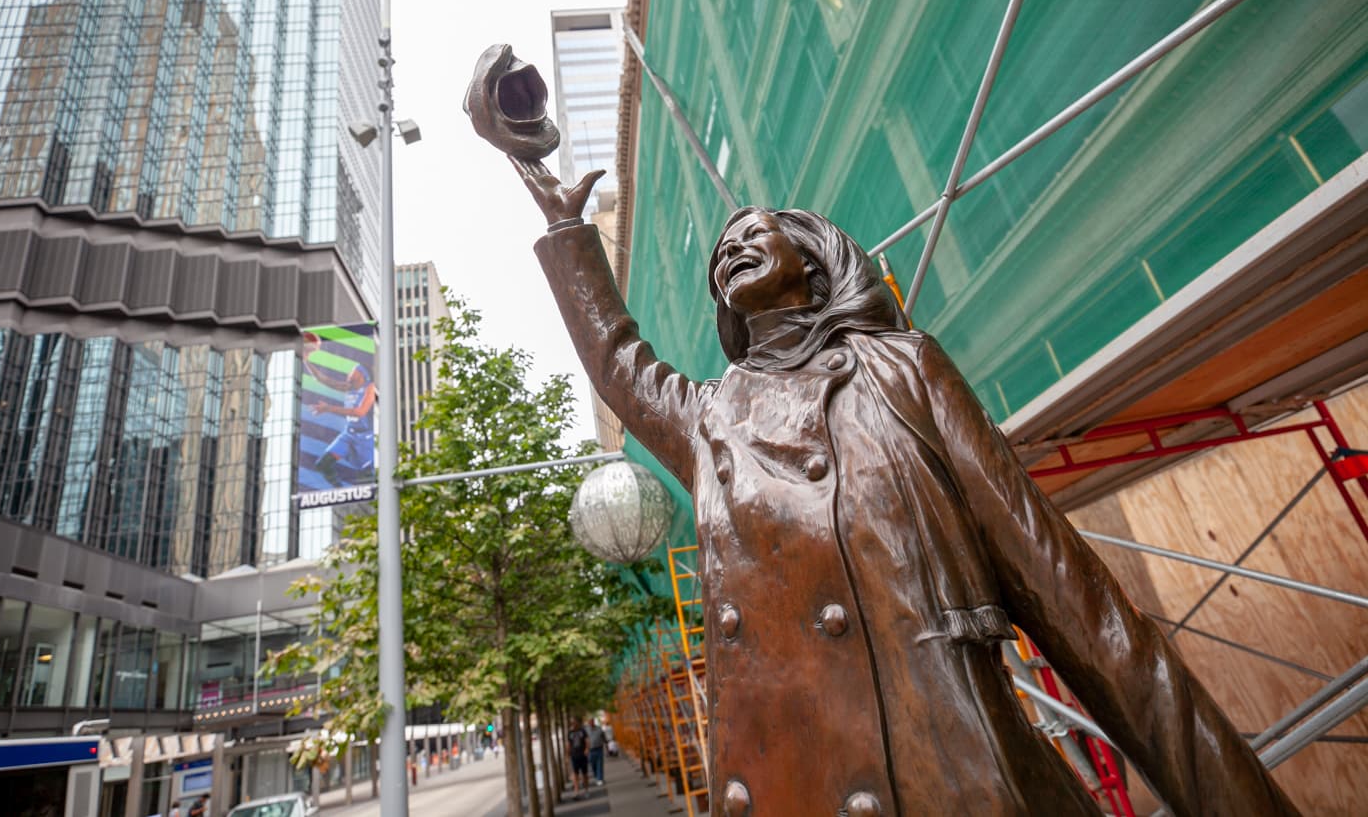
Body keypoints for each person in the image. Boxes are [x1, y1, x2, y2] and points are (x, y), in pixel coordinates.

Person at [511, 157, 1300, 816]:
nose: (731, 248)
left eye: (755, 233)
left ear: (814, 263)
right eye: (721, 250)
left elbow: (1082, 611)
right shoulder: (708, 418)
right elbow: (619, 362)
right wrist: (564, 227)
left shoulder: (901, 371)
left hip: (953, 783)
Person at [300, 335, 376, 485]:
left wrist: (328, 408)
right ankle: (339, 491)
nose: (348, 375)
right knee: (323, 465)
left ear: (361, 374)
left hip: (365, 439)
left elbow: (360, 412)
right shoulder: (349, 387)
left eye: (352, 372)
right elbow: (323, 379)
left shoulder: (369, 388)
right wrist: (306, 361)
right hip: (348, 434)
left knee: (365, 478)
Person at [566, 716, 590, 800]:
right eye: (572, 723)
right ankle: (576, 791)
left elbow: (587, 741)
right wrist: (567, 756)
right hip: (574, 756)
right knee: (575, 774)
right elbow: (568, 744)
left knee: (585, 774)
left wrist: (587, 749)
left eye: (575, 722)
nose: (574, 724)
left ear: (578, 723)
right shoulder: (570, 733)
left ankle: (586, 790)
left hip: (582, 755)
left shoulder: (582, 731)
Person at [586, 717, 606, 785]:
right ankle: (596, 776)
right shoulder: (586, 730)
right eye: (590, 721)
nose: (591, 723)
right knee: (593, 764)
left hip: (599, 748)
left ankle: (600, 779)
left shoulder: (599, 728)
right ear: (588, 723)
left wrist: (606, 745)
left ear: (594, 722)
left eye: (592, 721)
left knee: (599, 764)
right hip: (591, 750)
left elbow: (603, 736)